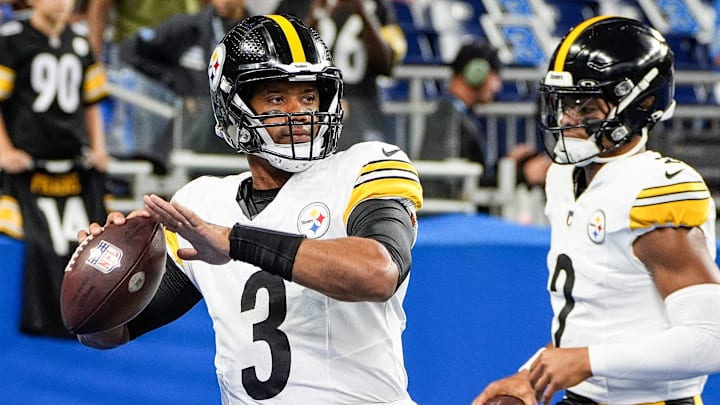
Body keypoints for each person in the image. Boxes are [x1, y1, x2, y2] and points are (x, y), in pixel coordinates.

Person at [75, 15, 423, 404]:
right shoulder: (203, 202)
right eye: (276, 98)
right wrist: (103, 272)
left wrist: (234, 241)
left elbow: (378, 274)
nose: (299, 113)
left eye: (308, 97)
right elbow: (106, 334)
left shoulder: (366, 165)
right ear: (232, 107)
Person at [472, 16, 720, 405]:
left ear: (642, 103)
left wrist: (589, 361)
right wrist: (532, 375)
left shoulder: (655, 188)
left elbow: (712, 340)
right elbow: (596, 316)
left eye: (585, 105)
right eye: (564, 103)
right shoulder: (563, 178)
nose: (568, 119)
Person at [0, 0, 109, 338]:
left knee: (85, 242)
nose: (62, 3)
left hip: (73, 169)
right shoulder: (12, 38)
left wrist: (99, 148)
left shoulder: (78, 42)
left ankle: (90, 316)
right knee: (30, 240)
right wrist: (4, 150)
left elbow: (91, 102)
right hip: (26, 169)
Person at [419, 40, 550, 201]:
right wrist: (521, 175)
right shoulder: (447, 117)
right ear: (476, 72)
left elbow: (469, 177)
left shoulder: (457, 114)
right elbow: (449, 184)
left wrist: (507, 166)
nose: (497, 87)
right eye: (494, 77)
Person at [118, 0, 247, 154]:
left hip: (239, 128)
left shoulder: (257, 32)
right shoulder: (187, 26)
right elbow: (131, 50)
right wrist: (177, 82)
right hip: (191, 133)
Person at [303, 0, 407, 150]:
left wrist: (364, 14)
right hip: (316, 106)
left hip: (362, 107)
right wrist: (315, 15)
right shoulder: (305, 4)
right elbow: (289, 57)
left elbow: (387, 65)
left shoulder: (380, 7)